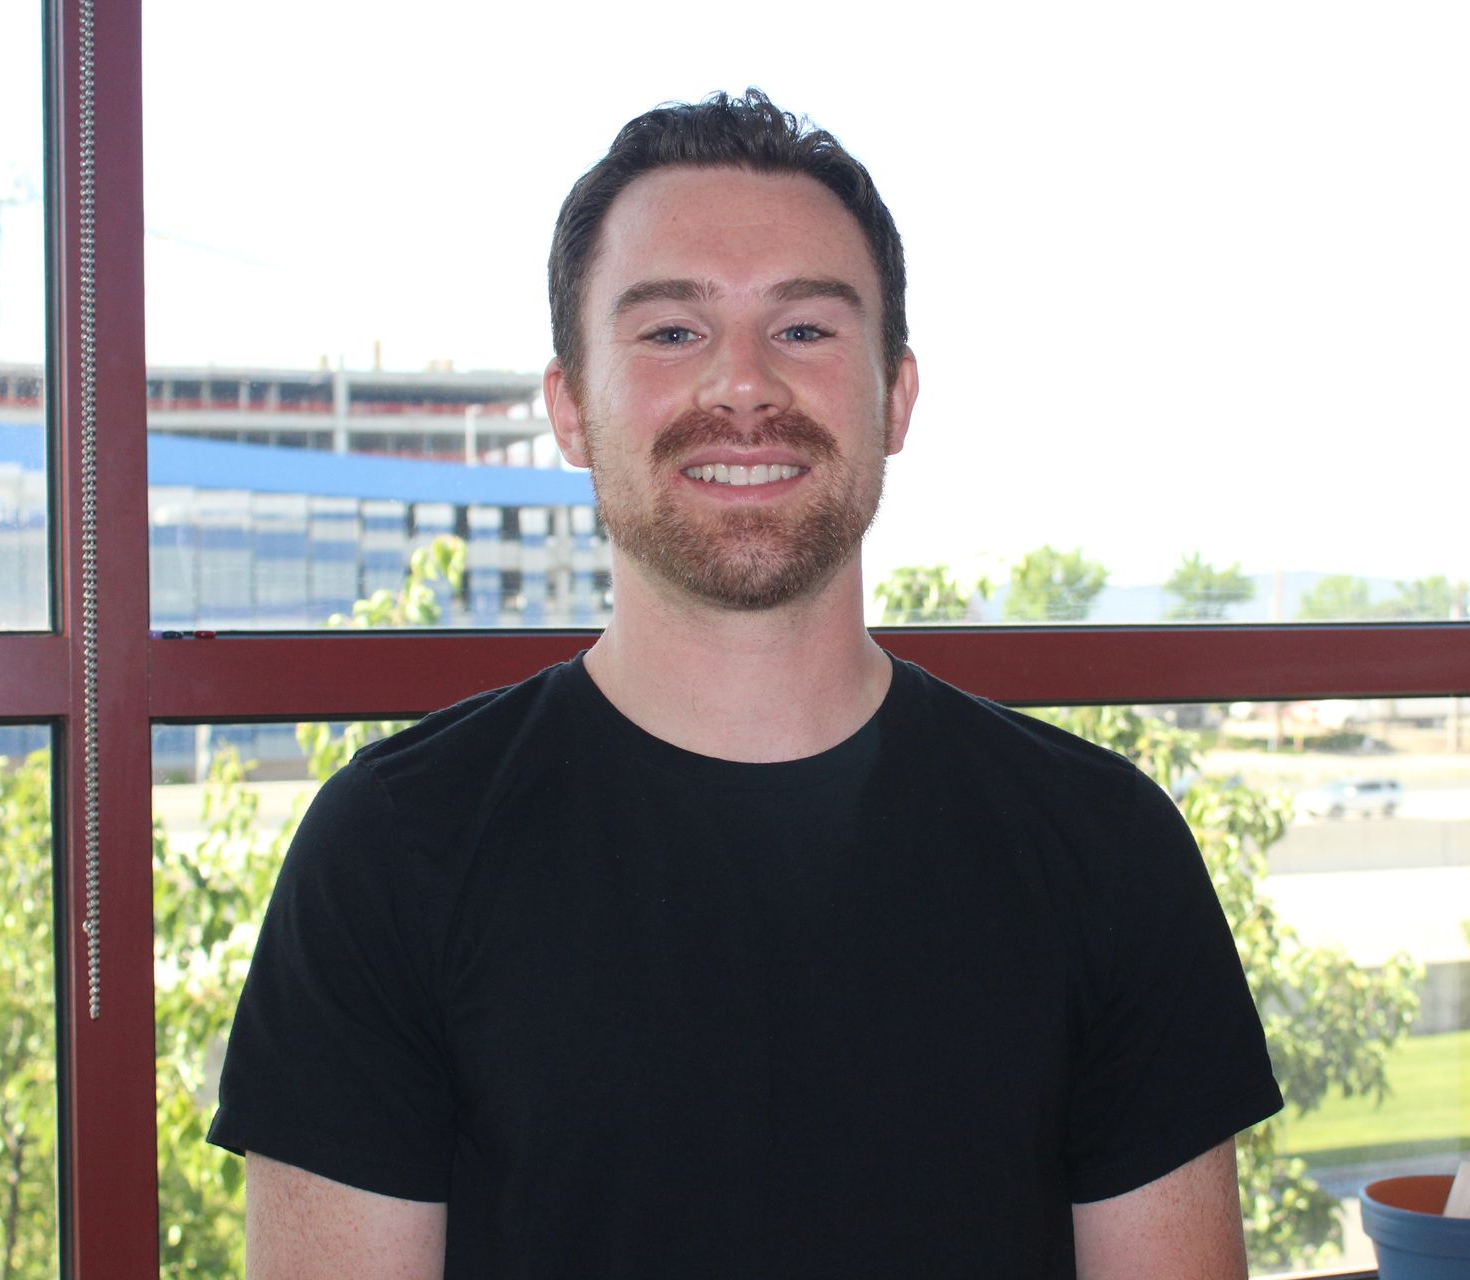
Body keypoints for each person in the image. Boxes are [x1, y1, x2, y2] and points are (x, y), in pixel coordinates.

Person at [209, 89, 1282, 1278]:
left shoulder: (1107, 848)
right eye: (671, 332)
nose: (742, 385)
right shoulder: (389, 849)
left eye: (806, 329)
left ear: (895, 396)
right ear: (570, 408)